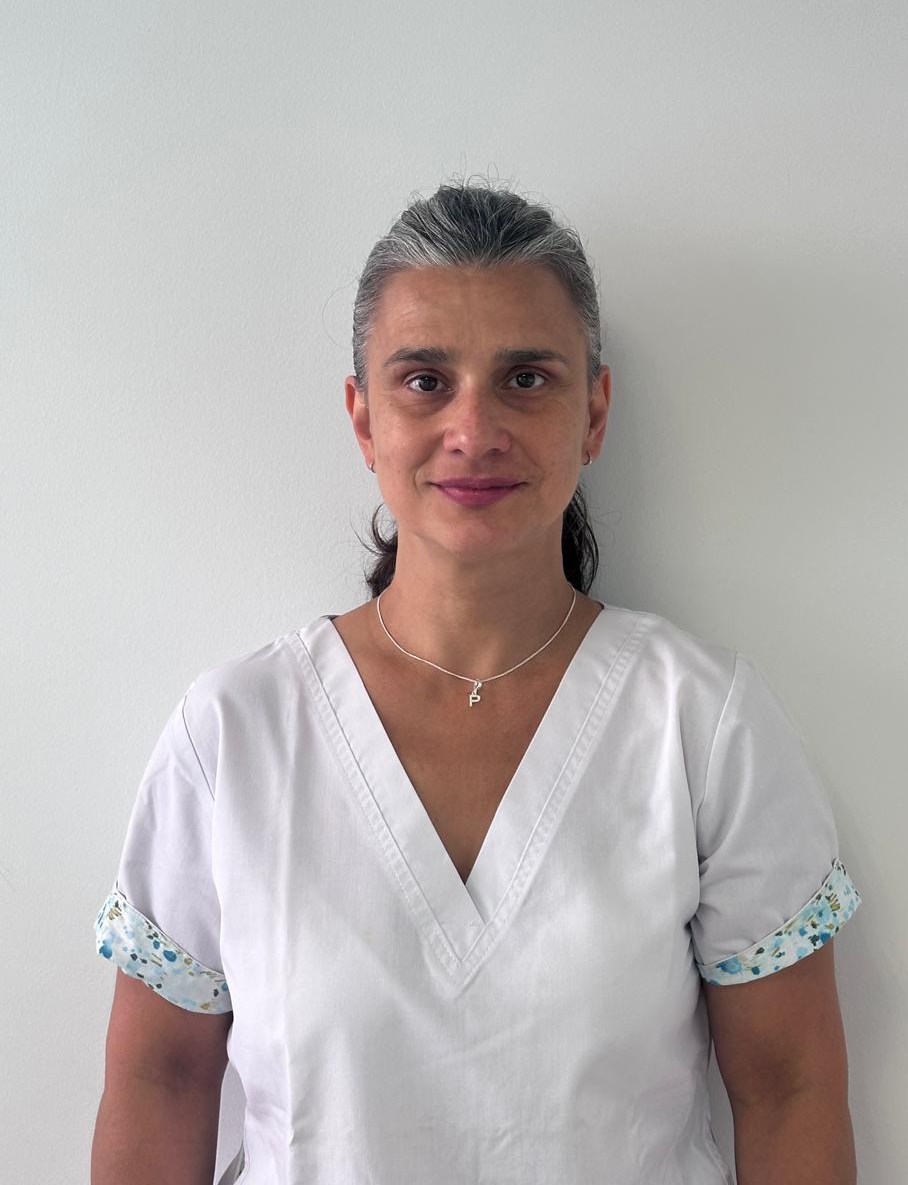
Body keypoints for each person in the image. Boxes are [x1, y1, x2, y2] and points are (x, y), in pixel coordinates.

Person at [91, 179, 862, 1184]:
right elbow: (159, 1080)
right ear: (363, 419)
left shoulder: (702, 724)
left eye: (525, 378)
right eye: (424, 380)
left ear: (594, 411)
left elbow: (789, 1085)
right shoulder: (235, 732)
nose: (474, 427)